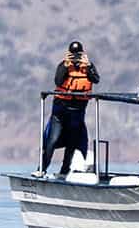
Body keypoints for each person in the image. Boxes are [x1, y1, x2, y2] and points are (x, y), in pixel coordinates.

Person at [36, 40, 100, 178]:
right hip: (60, 112)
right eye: (73, 55)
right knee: (52, 141)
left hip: (77, 113)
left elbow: (96, 79)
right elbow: (58, 81)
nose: (76, 58)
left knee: (72, 144)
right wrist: (65, 65)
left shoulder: (88, 67)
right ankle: (41, 168)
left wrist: (88, 65)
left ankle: (64, 172)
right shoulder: (63, 65)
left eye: (78, 54)